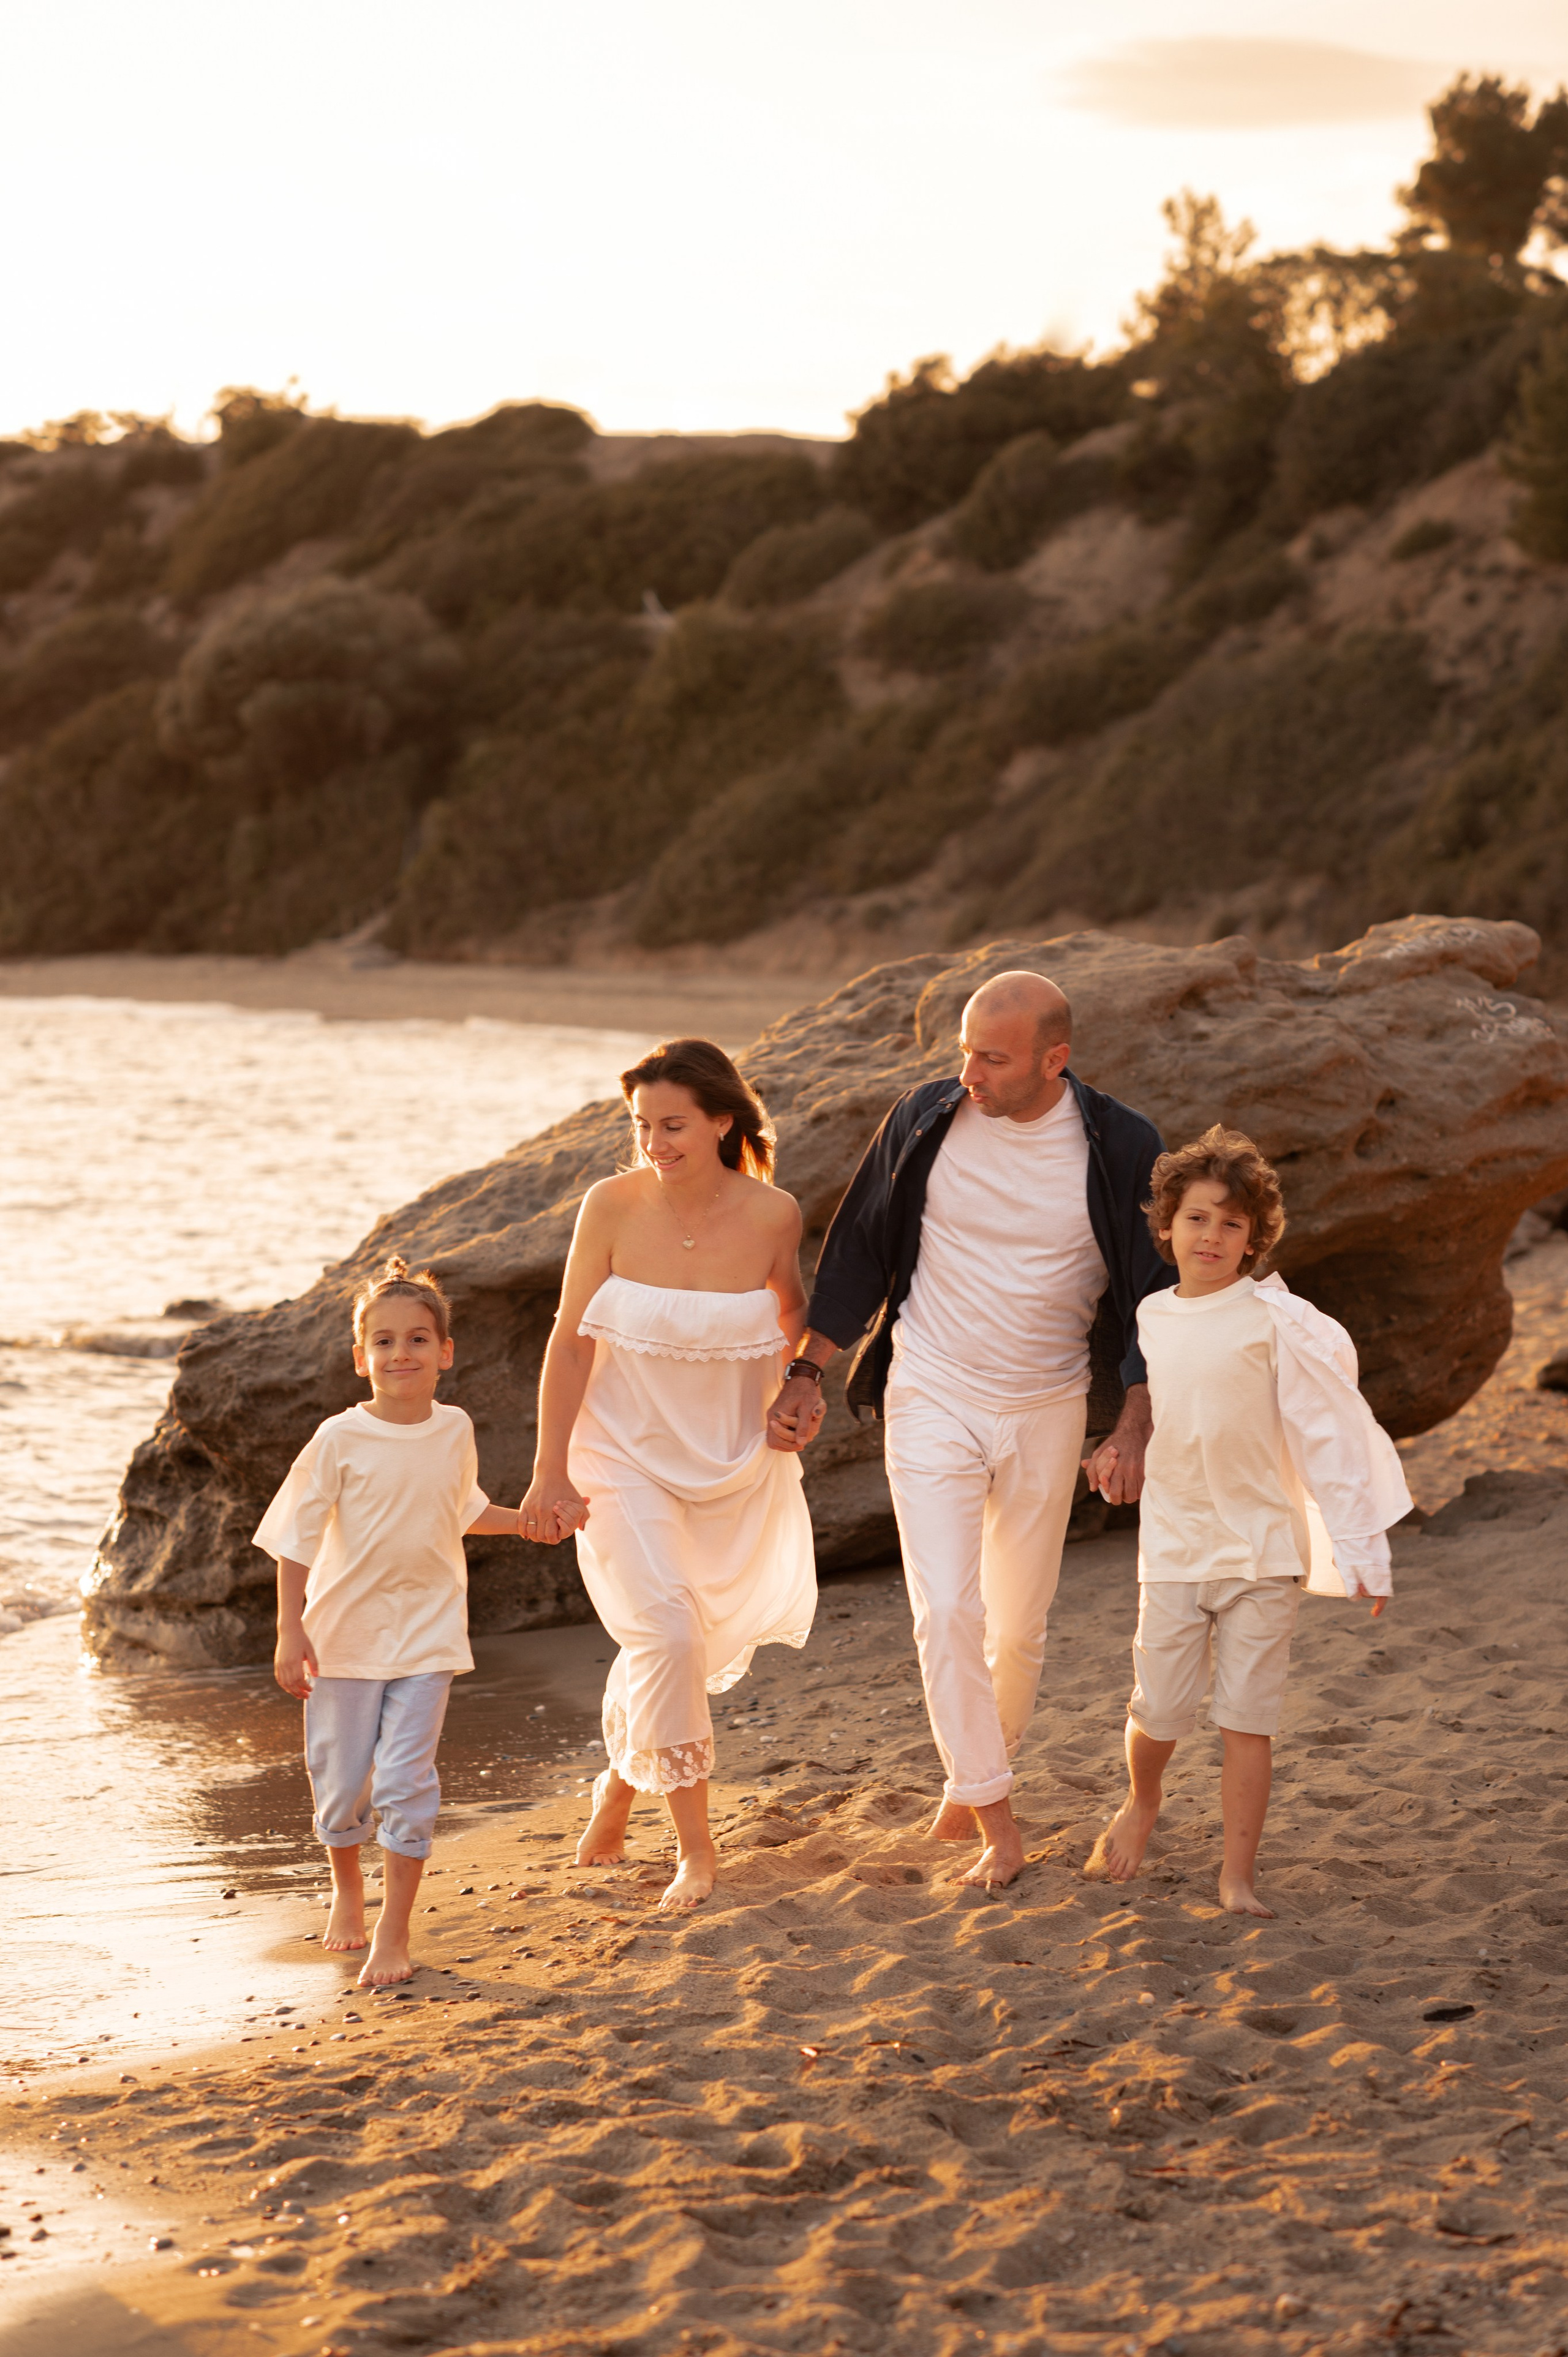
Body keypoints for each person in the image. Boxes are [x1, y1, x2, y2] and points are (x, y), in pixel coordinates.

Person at [767, 968, 1172, 1890]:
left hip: (1049, 1401)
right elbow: (862, 1247)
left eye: (992, 1058)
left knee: (1019, 1627)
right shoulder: (925, 1119)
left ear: (1054, 1059)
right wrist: (806, 1371)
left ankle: (978, 1768)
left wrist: (1135, 1424)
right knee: (947, 1606)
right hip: (932, 1391)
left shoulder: (1120, 1146)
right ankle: (991, 1807)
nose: (970, 1073)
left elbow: (1155, 1296)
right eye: (964, 1051)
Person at [521, 1038, 817, 1912]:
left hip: (729, 1456)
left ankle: (618, 1791)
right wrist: (548, 1471)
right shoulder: (609, 1207)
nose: (655, 1140)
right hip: (617, 1454)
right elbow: (570, 1341)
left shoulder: (773, 1215)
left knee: (681, 1637)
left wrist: (802, 1389)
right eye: (642, 1124)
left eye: (674, 1124)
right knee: (669, 1632)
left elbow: (794, 1312)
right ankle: (698, 1851)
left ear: (724, 1121)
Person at [1085, 1126, 1412, 1915]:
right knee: (1157, 1708)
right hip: (1172, 1545)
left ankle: (1237, 1876)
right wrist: (1112, 1455)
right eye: (1197, 1218)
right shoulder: (1153, 1314)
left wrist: (1365, 1551)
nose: (1212, 1236)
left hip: (1263, 1549)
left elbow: (1330, 1436)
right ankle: (1142, 1799)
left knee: (1245, 1721)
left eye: (1232, 1224)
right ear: (1165, 1226)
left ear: (1255, 1239)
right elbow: (1155, 1406)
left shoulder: (1277, 1320)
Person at [257, 1256, 526, 1988]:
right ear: (359, 1357)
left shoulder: (456, 1427)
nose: (399, 1353)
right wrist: (291, 1629)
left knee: (407, 1781)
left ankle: (394, 1928)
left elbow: (465, 1509)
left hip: (428, 1634)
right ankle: (348, 1887)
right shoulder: (338, 1438)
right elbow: (293, 1538)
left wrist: (530, 1521)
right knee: (343, 1786)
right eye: (383, 1341)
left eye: (416, 1339)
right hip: (343, 1638)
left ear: (445, 1351)